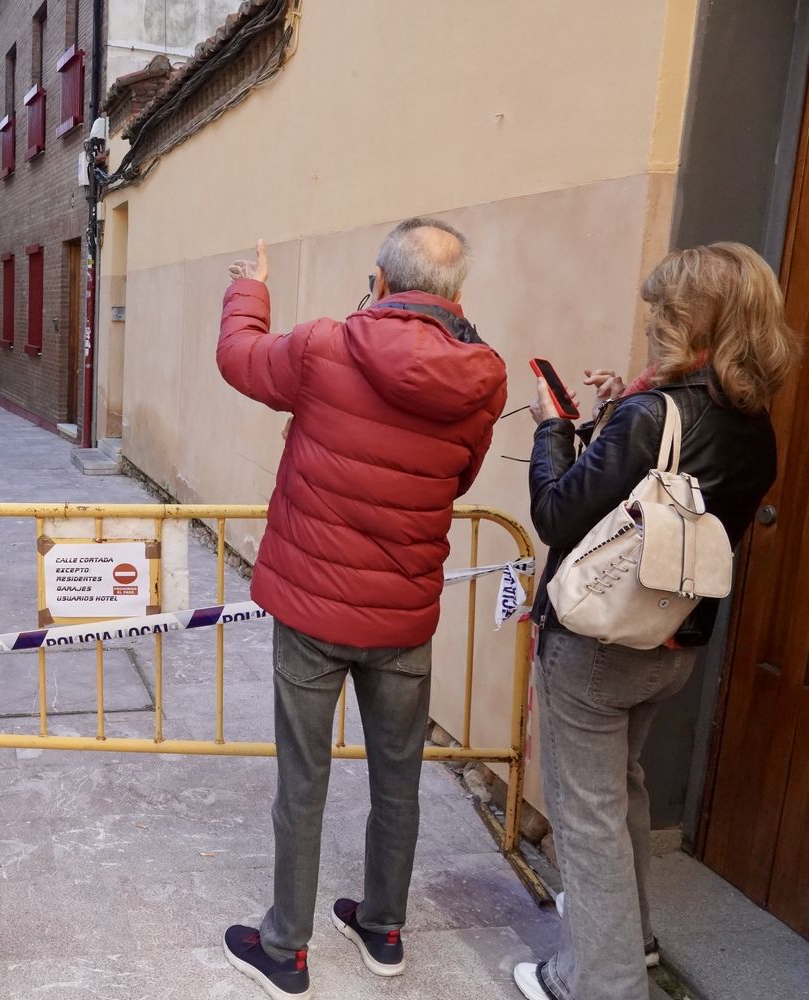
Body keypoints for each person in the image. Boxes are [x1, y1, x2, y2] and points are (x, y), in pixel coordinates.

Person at [215, 218, 507, 999]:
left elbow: (239, 358)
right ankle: (383, 929)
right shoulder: (483, 376)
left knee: (302, 782)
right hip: (403, 614)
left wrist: (252, 292)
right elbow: (460, 477)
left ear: (379, 281)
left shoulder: (324, 346)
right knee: (398, 780)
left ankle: (286, 949)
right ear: (455, 293)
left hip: (312, 613)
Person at [517, 242, 799, 1000]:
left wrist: (552, 428)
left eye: (660, 311)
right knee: (623, 790)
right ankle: (631, 942)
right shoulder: (753, 423)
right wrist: (621, 413)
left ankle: (599, 984)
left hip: (598, 643)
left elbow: (556, 514)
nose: (650, 323)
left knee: (587, 817)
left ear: (687, 319)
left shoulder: (652, 415)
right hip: (673, 642)